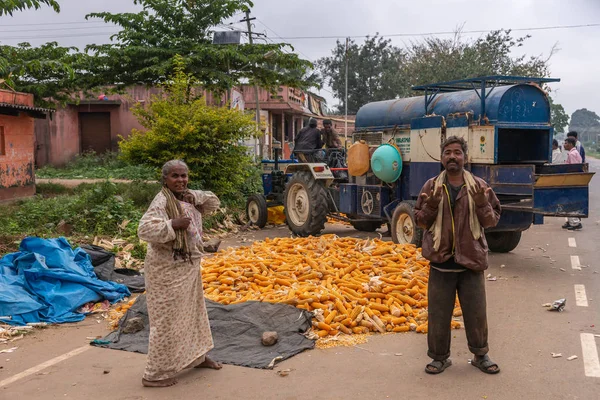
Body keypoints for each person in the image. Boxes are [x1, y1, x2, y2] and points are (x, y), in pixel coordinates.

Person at [414, 136, 502, 375]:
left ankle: (480, 355)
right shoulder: (431, 187)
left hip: (470, 262)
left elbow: (491, 221)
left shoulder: (479, 186)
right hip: (441, 263)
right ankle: (440, 358)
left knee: (476, 313)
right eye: (447, 153)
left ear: (465, 156)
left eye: (457, 152)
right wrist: (431, 205)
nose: (452, 156)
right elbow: (420, 222)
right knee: (438, 315)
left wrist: (482, 203)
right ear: (441, 158)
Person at [138, 160, 222, 387]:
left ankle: (198, 357)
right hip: (167, 271)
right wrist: (172, 224)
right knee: (167, 322)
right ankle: (155, 374)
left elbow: (214, 202)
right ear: (165, 179)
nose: (180, 180)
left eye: (184, 176)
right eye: (175, 176)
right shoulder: (162, 201)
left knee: (194, 313)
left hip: (188, 266)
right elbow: (144, 229)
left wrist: (196, 198)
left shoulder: (187, 197)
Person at [562, 137, 583, 230]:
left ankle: (575, 223)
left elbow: (574, 169)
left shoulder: (572, 154)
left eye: (566, 143)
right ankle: (571, 221)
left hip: (572, 181)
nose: (564, 145)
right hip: (572, 180)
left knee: (570, 201)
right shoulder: (573, 153)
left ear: (570, 144)